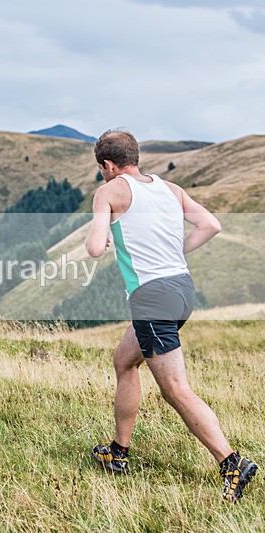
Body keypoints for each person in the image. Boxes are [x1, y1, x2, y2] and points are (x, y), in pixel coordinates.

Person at [85, 129, 257, 502]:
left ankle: (232, 462)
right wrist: (173, 254)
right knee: (124, 360)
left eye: (102, 168)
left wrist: (101, 230)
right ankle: (118, 452)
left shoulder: (109, 191)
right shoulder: (170, 188)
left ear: (110, 165)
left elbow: (96, 248)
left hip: (153, 298)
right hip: (181, 288)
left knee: (175, 388)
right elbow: (211, 224)